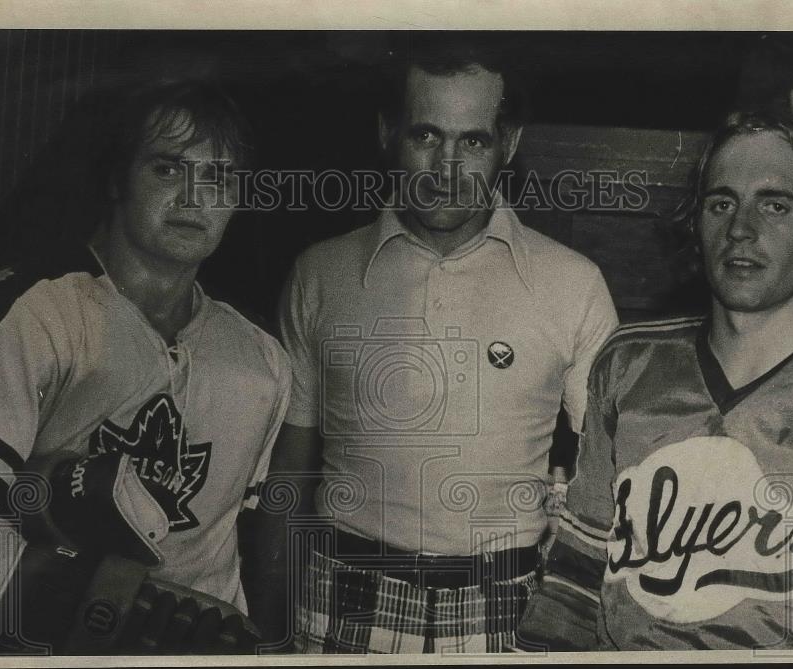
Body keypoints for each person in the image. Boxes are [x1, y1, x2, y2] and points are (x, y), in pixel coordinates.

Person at [263, 37, 618, 654]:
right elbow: (288, 466)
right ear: (387, 132)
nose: (447, 167)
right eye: (426, 136)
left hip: (509, 602)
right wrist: (264, 625)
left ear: (509, 144)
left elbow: (615, 478)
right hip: (343, 594)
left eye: (473, 141)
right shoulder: (321, 274)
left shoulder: (573, 284)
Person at [0, 81, 291, 653]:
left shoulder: (263, 361)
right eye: (168, 170)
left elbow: (232, 547)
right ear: (116, 177)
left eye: (219, 178)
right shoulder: (29, 312)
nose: (195, 198)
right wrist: (132, 616)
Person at [530, 110, 793, 650]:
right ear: (695, 223)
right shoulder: (628, 363)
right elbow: (572, 588)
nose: (741, 230)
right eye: (721, 203)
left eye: (775, 205)